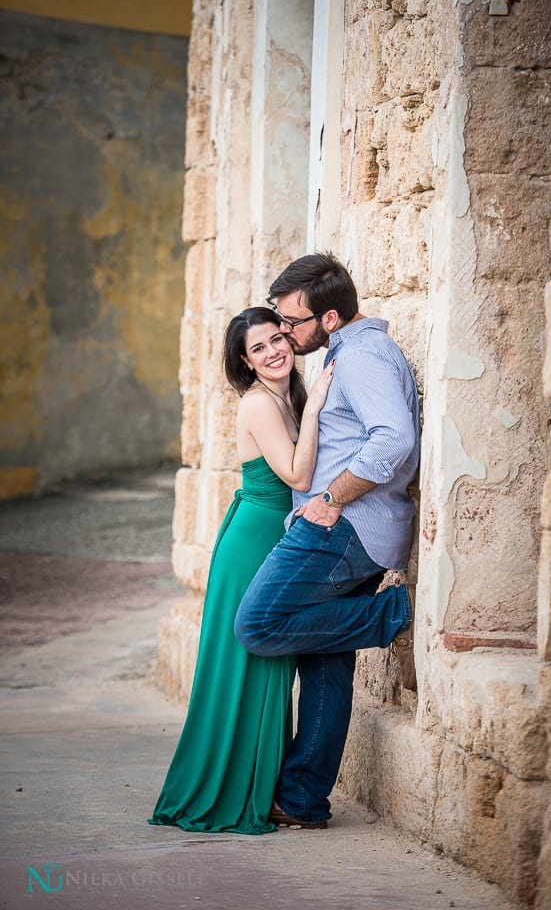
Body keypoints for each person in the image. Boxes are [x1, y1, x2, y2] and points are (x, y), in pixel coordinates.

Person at [234, 252, 419, 830]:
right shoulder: (347, 354)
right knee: (324, 662)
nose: (284, 333)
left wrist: (331, 499)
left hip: (340, 529)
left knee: (258, 625)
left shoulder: (362, 356)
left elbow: (394, 439)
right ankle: (303, 798)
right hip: (351, 528)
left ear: (330, 318)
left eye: (292, 323)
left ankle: (393, 613)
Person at [149, 306, 334, 834]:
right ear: (244, 361)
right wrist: (318, 405)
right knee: (245, 663)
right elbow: (297, 472)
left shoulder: (284, 394)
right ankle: (224, 790)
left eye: (278, 338)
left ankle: (260, 786)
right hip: (254, 540)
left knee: (271, 666)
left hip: (273, 535)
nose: (274, 351)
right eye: (259, 348)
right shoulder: (259, 403)